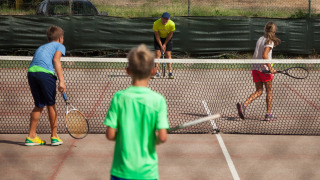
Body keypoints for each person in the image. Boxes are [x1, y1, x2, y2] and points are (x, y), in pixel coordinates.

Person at [104, 44, 169, 180]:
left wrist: (123, 137)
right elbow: (162, 137)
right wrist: (154, 139)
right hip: (147, 173)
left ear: (128, 70)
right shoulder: (158, 100)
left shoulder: (119, 97)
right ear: (153, 71)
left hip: (121, 170)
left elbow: (110, 135)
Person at [25, 25, 66, 146]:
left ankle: (31, 136)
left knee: (39, 105)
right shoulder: (60, 45)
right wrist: (61, 81)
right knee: (51, 104)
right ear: (60, 38)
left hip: (32, 73)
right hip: (45, 74)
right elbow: (56, 60)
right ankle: (54, 136)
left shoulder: (41, 47)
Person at [237, 22, 281, 121]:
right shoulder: (270, 41)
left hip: (255, 68)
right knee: (269, 92)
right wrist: (270, 68)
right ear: (274, 31)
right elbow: (264, 56)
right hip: (264, 70)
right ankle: (268, 115)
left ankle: (244, 106)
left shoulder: (260, 39)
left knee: (259, 91)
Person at [152, 12, 175, 79]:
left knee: (168, 54)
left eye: (166, 19)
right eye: (163, 19)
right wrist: (161, 45)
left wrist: (164, 44)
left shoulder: (172, 24)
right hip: (158, 38)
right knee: (157, 54)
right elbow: (156, 35)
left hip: (167, 39)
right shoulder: (156, 23)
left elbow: (170, 35)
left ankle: (170, 73)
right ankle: (156, 72)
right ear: (161, 18)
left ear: (169, 19)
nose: (165, 20)